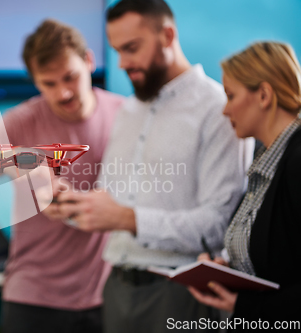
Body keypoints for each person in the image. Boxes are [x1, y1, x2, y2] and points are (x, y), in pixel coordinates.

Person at [46, 1, 252, 332]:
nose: (123, 63)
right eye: (117, 51)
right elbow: (112, 201)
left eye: (131, 48)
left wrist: (128, 218)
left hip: (183, 293)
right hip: (117, 289)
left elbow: (219, 226)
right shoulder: (129, 111)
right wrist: (73, 205)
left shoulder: (218, 110)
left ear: (167, 35)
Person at [0, 19, 125, 333]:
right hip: (32, 297)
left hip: (107, 295)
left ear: (89, 61)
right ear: (35, 81)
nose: (64, 92)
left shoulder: (126, 115)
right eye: (49, 83)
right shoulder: (21, 121)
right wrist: (15, 161)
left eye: (70, 77)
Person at [188, 41, 301, 330]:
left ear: (263, 95)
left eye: (230, 95)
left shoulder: (296, 161)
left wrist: (247, 306)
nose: (225, 110)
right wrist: (231, 272)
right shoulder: (265, 159)